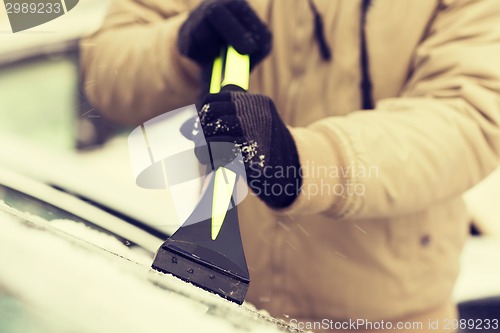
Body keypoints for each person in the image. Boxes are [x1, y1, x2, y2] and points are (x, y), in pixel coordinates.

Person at [81, 0, 500, 332]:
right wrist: (176, 48)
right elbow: (104, 75)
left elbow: (470, 113)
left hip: (391, 320)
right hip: (222, 306)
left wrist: (308, 163)